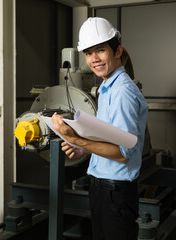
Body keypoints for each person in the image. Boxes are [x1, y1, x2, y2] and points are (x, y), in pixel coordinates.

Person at [52, 17, 148, 240]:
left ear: (117, 51)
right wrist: (84, 151)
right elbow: (109, 139)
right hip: (103, 190)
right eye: (88, 53)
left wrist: (76, 140)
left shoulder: (122, 91)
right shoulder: (107, 87)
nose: (93, 59)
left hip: (115, 193)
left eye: (100, 50)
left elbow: (123, 153)